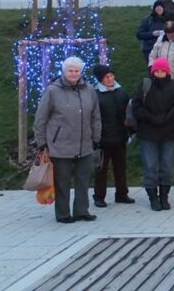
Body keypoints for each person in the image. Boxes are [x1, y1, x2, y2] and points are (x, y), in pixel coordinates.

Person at [33, 56, 102, 223]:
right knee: (62, 182)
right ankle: (63, 214)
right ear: (64, 71)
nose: (73, 74)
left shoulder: (89, 90)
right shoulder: (52, 91)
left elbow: (95, 116)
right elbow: (41, 118)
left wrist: (96, 137)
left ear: (81, 72)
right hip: (60, 145)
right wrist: (41, 142)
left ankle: (81, 211)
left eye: (77, 71)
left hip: (85, 144)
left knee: (83, 180)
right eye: (70, 70)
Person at [133, 57, 174, 211]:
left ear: (167, 72)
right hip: (148, 132)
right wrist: (152, 118)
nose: (160, 73)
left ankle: (164, 196)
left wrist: (165, 118)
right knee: (150, 166)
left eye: (162, 71)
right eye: (157, 71)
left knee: (167, 166)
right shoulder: (146, 85)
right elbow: (137, 106)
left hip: (168, 132)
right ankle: (153, 198)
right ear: (153, 71)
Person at [92, 64, 134, 208]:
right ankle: (99, 196)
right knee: (101, 169)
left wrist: (129, 129)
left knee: (120, 167)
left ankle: (122, 194)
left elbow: (128, 113)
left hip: (120, 136)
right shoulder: (95, 94)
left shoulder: (121, 92)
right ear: (100, 80)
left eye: (111, 75)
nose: (110, 79)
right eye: (106, 77)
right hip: (102, 139)